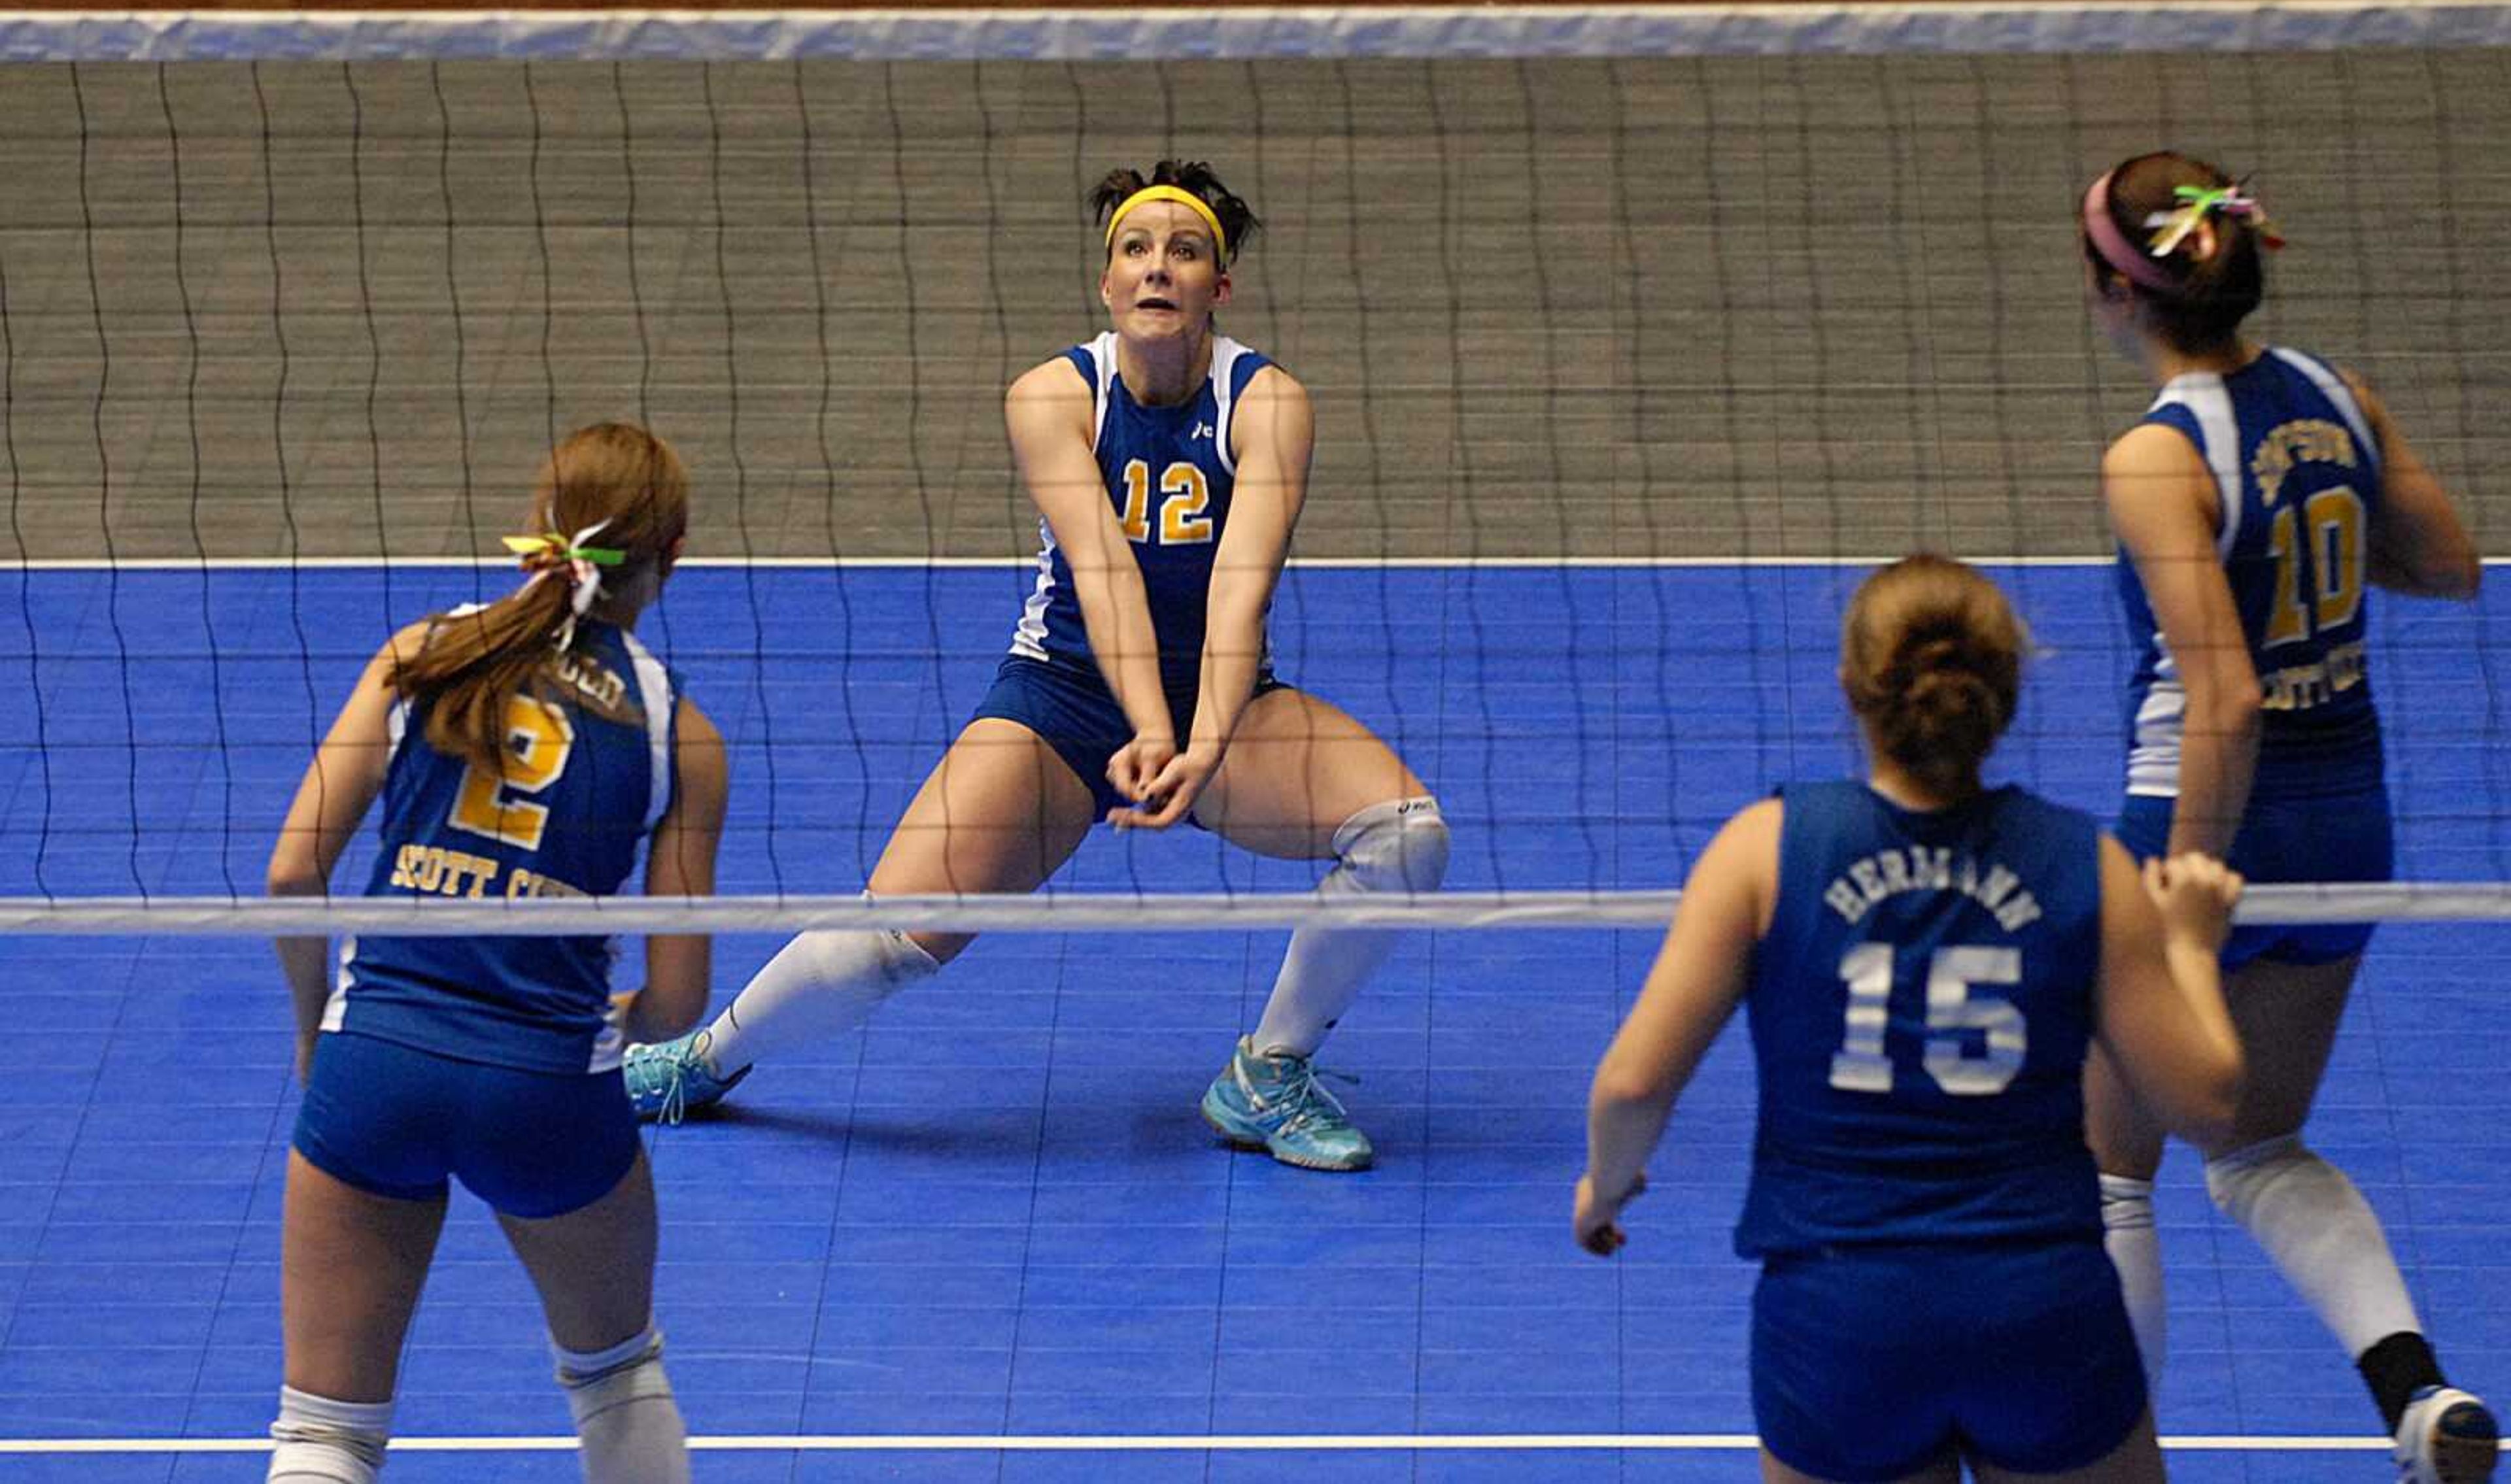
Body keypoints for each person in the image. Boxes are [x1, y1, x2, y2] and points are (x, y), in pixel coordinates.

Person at [623, 160, 1446, 1172]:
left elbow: (1240, 590)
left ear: (1218, 289)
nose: (1157, 269)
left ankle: (1265, 1075)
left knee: (1407, 840)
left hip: (1224, 707)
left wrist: (1198, 738)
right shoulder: (1052, 395)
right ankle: (701, 1062)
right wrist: (1145, 728)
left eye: (1184, 253)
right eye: (1135, 252)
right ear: (1106, 285)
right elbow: (1103, 576)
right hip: (1058, 700)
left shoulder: (1268, 403)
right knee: (892, 941)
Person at [1577, 553, 2248, 1484]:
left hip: (1843, 1317)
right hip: (2038, 1309)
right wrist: (2192, 946)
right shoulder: (2085, 864)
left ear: (1854, 688)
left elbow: (1634, 1084)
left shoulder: (1765, 850)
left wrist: (1604, 1191)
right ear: (2006, 690)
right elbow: (2210, 1105)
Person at [2076, 154, 2495, 1482]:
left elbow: (2227, 700)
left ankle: (2102, 1456)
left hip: (2205, 823)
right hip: (2349, 825)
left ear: (2115, 293)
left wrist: (2183, 888)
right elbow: (2450, 564)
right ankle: (2418, 1396)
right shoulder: (2333, 393)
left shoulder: (2155, 455)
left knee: (2109, 1169)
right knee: (2257, 1139)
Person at [264, 422, 725, 1484]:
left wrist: (315, 1036)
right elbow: (676, 1002)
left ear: (541, 526)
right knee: (617, 1377)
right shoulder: (678, 735)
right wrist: (599, 1022)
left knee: (325, 1435)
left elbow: (292, 878)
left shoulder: (425, 655)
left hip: (372, 1064)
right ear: (674, 552)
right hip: (546, 1090)